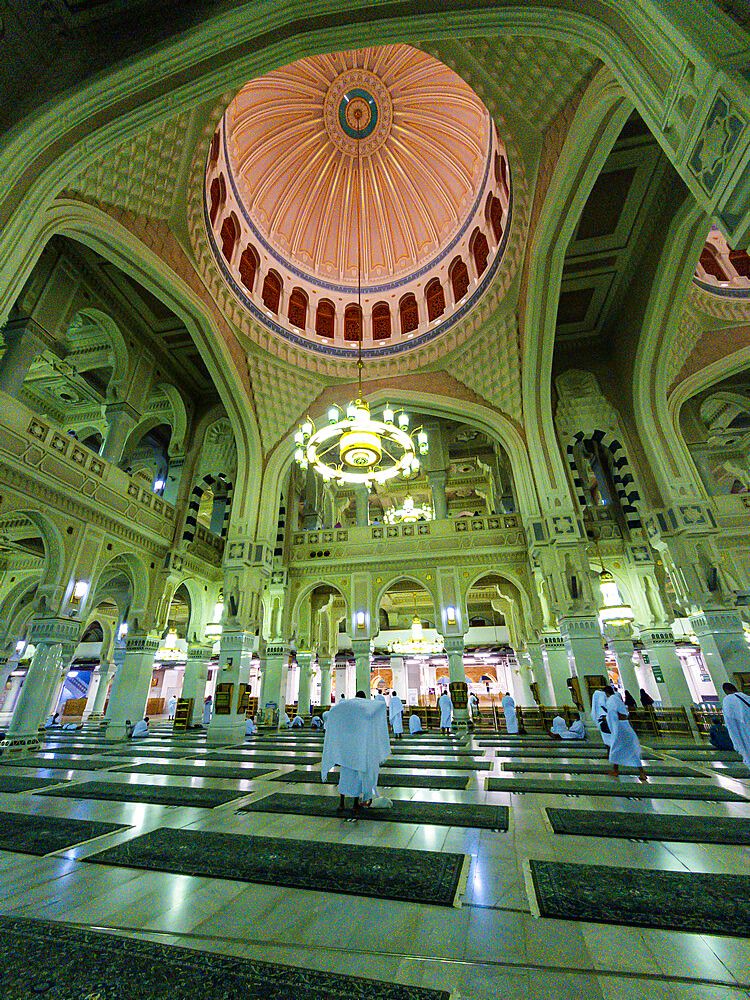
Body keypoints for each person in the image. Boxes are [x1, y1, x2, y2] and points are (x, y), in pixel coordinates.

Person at [321, 690, 391, 815]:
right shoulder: (363, 710)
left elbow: (330, 713)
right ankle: (354, 805)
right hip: (358, 749)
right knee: (357, 778)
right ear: (364, 699)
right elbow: (380, 706)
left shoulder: (346, 707)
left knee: (344, 778)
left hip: (346, 749)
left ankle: (342, 804)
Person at [606, 688, 647, 781]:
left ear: (606, 693)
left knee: (615, 749)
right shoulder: (617, 698)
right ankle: (642, 773)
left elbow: (612, 716)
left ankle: (615, 771)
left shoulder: (610, 700)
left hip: (619, 727)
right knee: (632, 750)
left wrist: (613, 729)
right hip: (626, 725)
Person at [722, 682, 750, 769]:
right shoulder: (746, 697)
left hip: (743, 729)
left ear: (726, 691)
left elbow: (729, 720)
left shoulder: (728, 699)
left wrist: (735, 741)